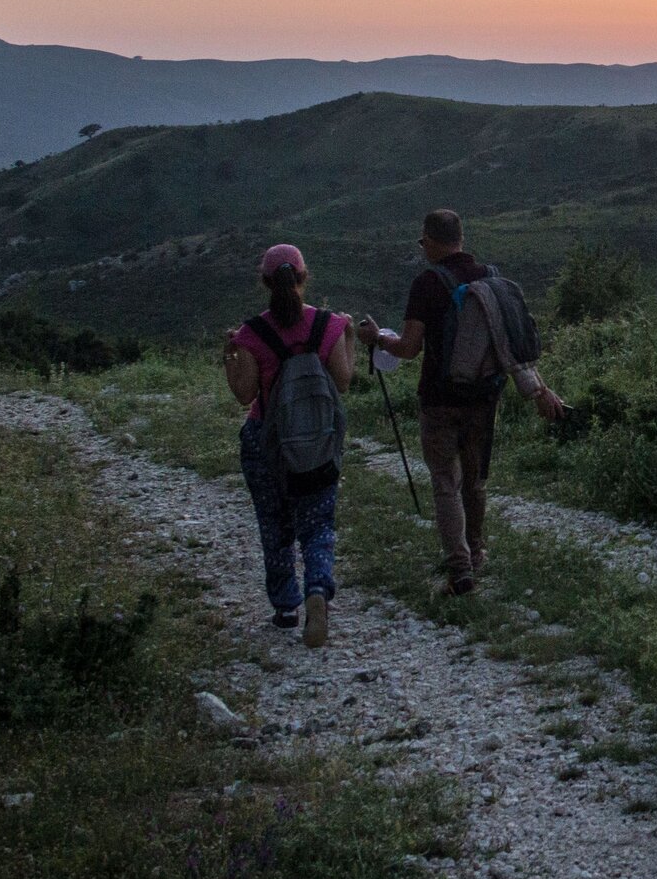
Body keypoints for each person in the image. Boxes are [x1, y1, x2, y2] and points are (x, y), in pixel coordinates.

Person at [356, 209, 562, 595]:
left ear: (432, 241)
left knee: (444, 482)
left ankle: (460, 569)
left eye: (423, 242)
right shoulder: (491, 278)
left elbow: (409, 348)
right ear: (461, 239)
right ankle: (478, 551)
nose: (422, 249)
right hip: (484, 396)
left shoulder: (427, 283)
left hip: (438, 398)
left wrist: (377, 339)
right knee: (475, 480)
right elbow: (509, 342)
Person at [221, 243, 354, 647]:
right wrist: (349, 338)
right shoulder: (326, 326)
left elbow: (245, 395)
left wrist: (230, 354)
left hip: (266, 440)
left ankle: (285, 608)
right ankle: (317, 588)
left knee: (274, 524)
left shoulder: (251, 334)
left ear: (265, 283)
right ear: (304, 277)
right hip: (317, 439)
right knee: (318, 524)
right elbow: (343, 383)